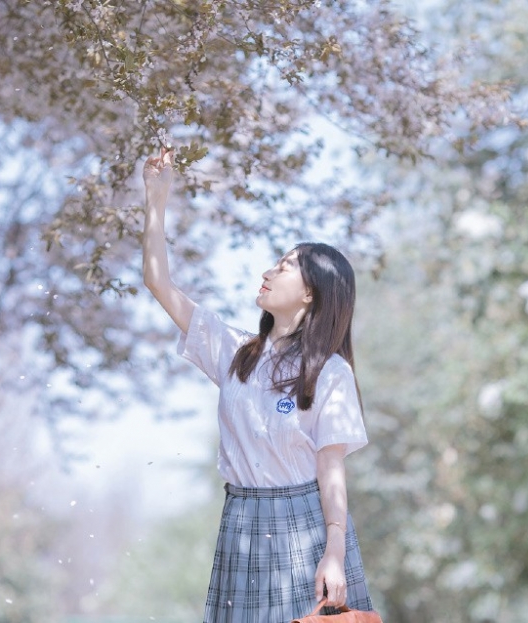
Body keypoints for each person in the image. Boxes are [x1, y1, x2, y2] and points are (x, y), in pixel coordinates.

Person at [141, 147, 375, 622]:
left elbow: (331, 468)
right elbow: (158, 284)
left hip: (306, 526)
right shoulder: (234, 350)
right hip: (241, 521)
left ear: (311, 294)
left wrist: (333, 550)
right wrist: (156, 199)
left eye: (285, 266)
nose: (269, 271)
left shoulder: (330, 372)